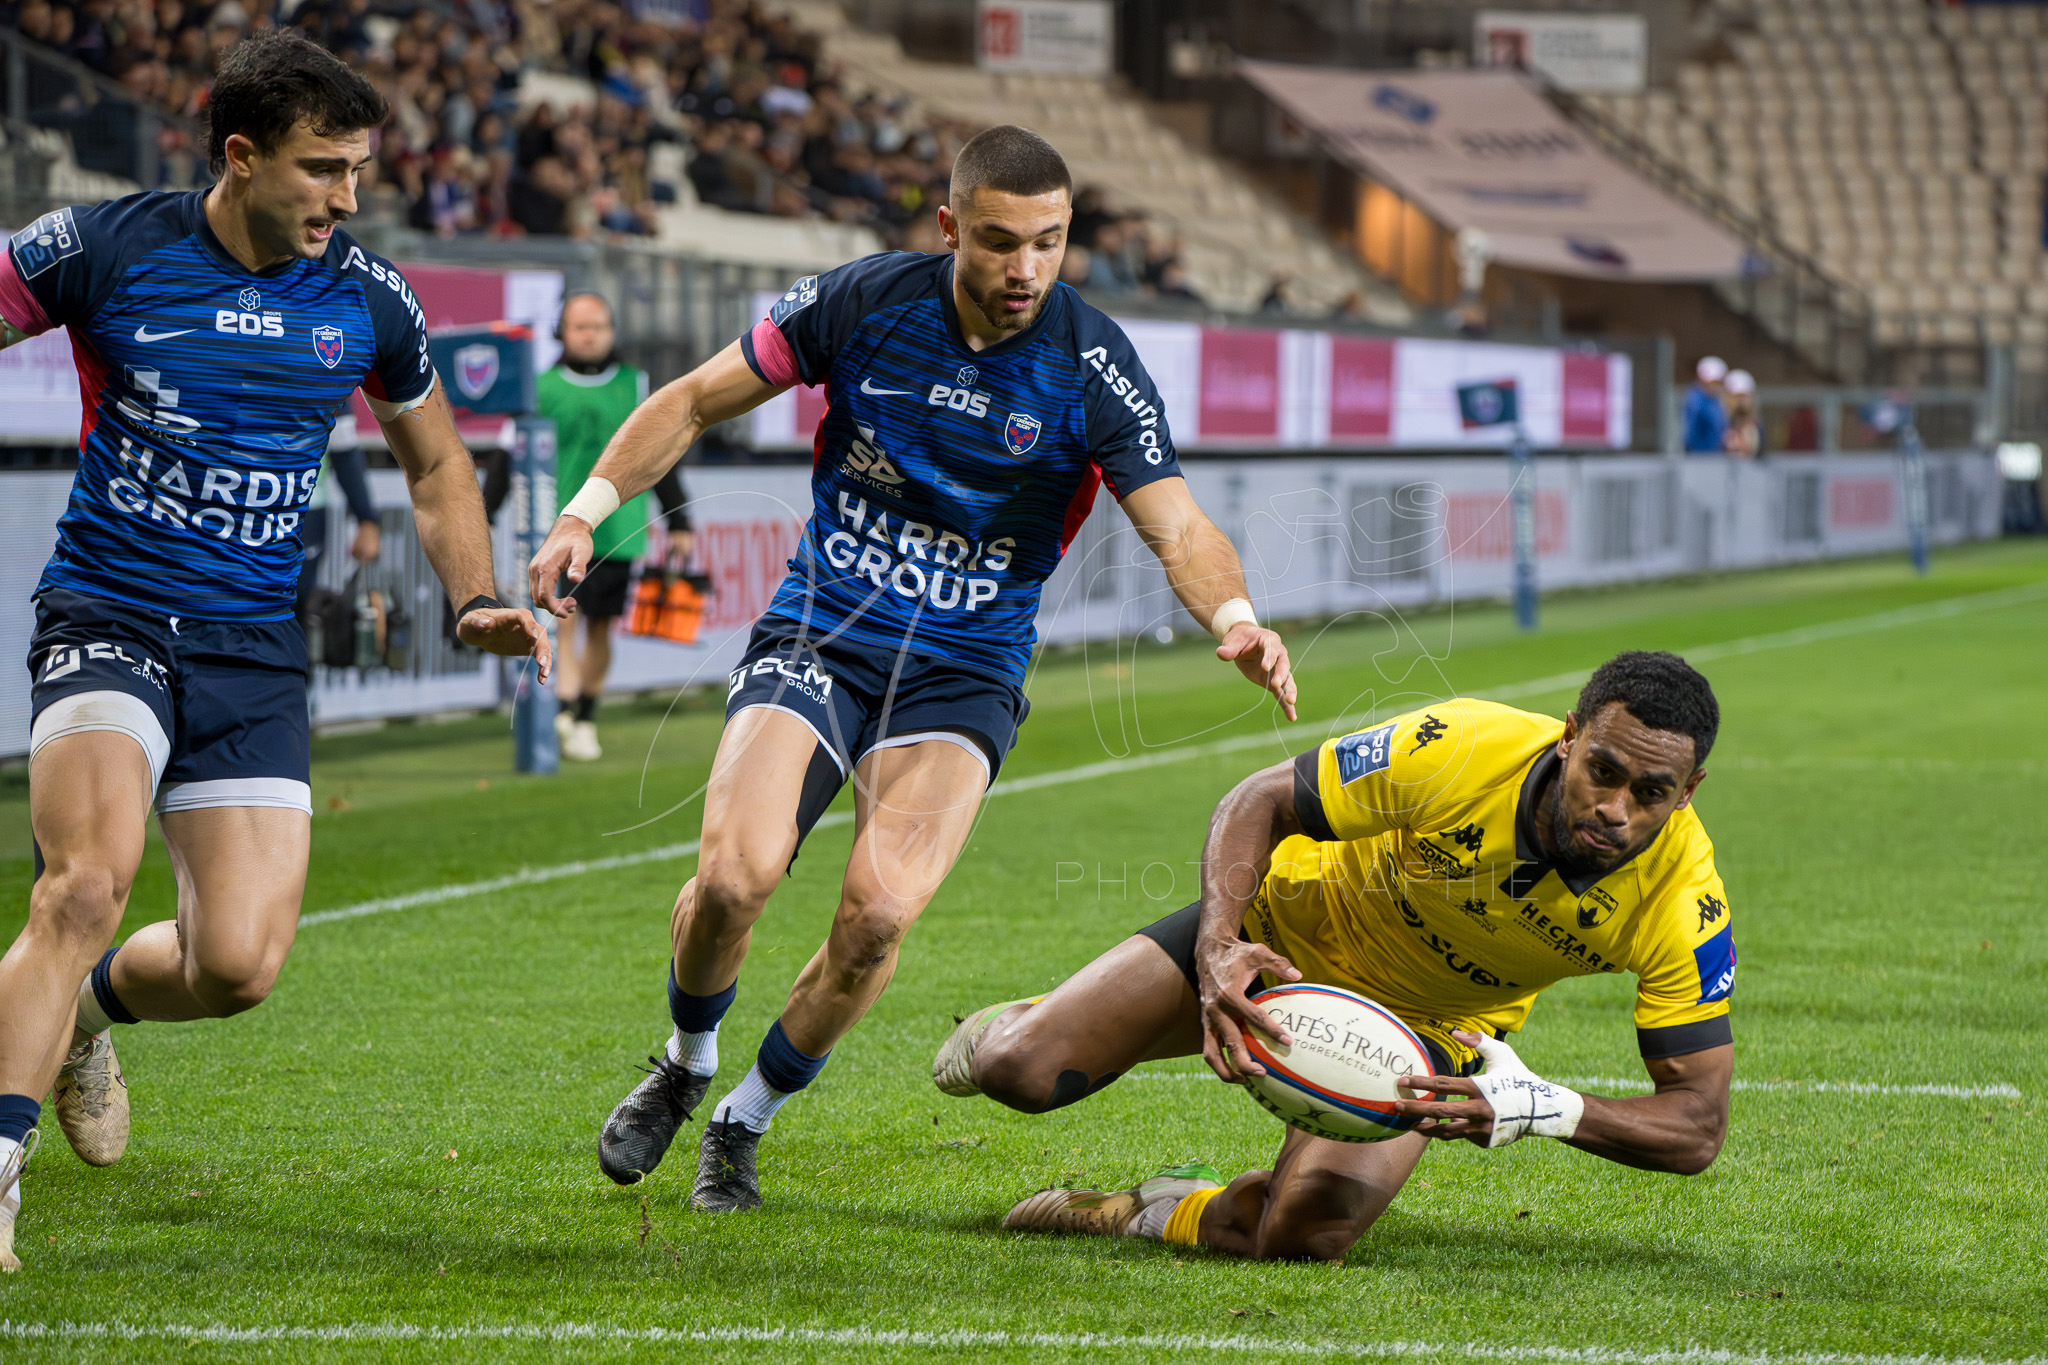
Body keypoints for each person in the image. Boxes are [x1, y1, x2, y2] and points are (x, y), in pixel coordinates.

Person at [527, 124, 1300, 1215]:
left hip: (962, 672)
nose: (1024, 268)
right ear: (948, 228)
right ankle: (686, 1061)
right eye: (996, 241)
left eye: (1047, 241)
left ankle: (741, 1120)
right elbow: (694, 399)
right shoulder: (864, 301)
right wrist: (582, 516)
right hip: (822, 635)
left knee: (876, 921)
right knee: (734, 881)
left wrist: (1233, 612)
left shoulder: (1092, 364)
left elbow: (1175, 525)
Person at [0, 29, 549, 1272]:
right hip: (111, 610)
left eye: (357, 170)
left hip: (251, 645)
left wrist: (471, 600)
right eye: (321, 169)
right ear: (240, 158)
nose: (346, 198)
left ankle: (79, 1016)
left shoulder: (364, 297)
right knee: (84, 884)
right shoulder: (105, 247)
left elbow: (437, 463)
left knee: (238, 964)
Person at [936, 652, 1735, 1263]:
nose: (1614, 808)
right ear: (1569, 735)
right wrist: (1218, 946)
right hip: (1277, 936)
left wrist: (1543, 1108)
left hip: (1423, 1029)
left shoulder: (1683, 902)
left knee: (1304, 1234)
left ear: (1688, 789)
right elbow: (1261, 798)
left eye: (1651, 792)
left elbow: (1696, 1125)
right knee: (1018, 1068)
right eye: (1603, 770)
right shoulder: (1460, 745)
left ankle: (1150, 1206)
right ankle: (1021, 1025)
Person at [538, 291, 692, 762]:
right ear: (562, 331)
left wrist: (679, 520)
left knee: (602, 628)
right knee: (564, 620)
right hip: (561, 530)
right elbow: (510, 454)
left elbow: (661, 456)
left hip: (620, 531)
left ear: (612, 330)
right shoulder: (541, 387)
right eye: (580, 326)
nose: (589, 335)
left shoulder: (638, 385)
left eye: (598, 326)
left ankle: (584, 713)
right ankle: (563, 707)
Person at [1683, 356, 1729, 454]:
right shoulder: (1696, 400)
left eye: (1719, 382)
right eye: (1714, 382)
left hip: (1714, 457)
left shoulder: (1714, 401)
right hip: (1700, 458)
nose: (1717, 386)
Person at [1722, 369, 1760, 459]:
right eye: (1737, 396)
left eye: (1744, 396)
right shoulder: (1720, 425)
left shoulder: (1756, 426)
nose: (1741, 401)